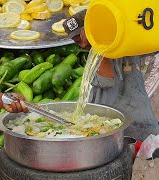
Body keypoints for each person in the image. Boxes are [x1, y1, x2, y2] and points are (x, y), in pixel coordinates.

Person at [63, 10, 159, 141]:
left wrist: (96, 44)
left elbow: (106, 80)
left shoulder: (106, 52)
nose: (81, 44)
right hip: (132, 120)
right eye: (76, 41)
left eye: (81, 39)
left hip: (124, 125)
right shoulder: (120, 46)